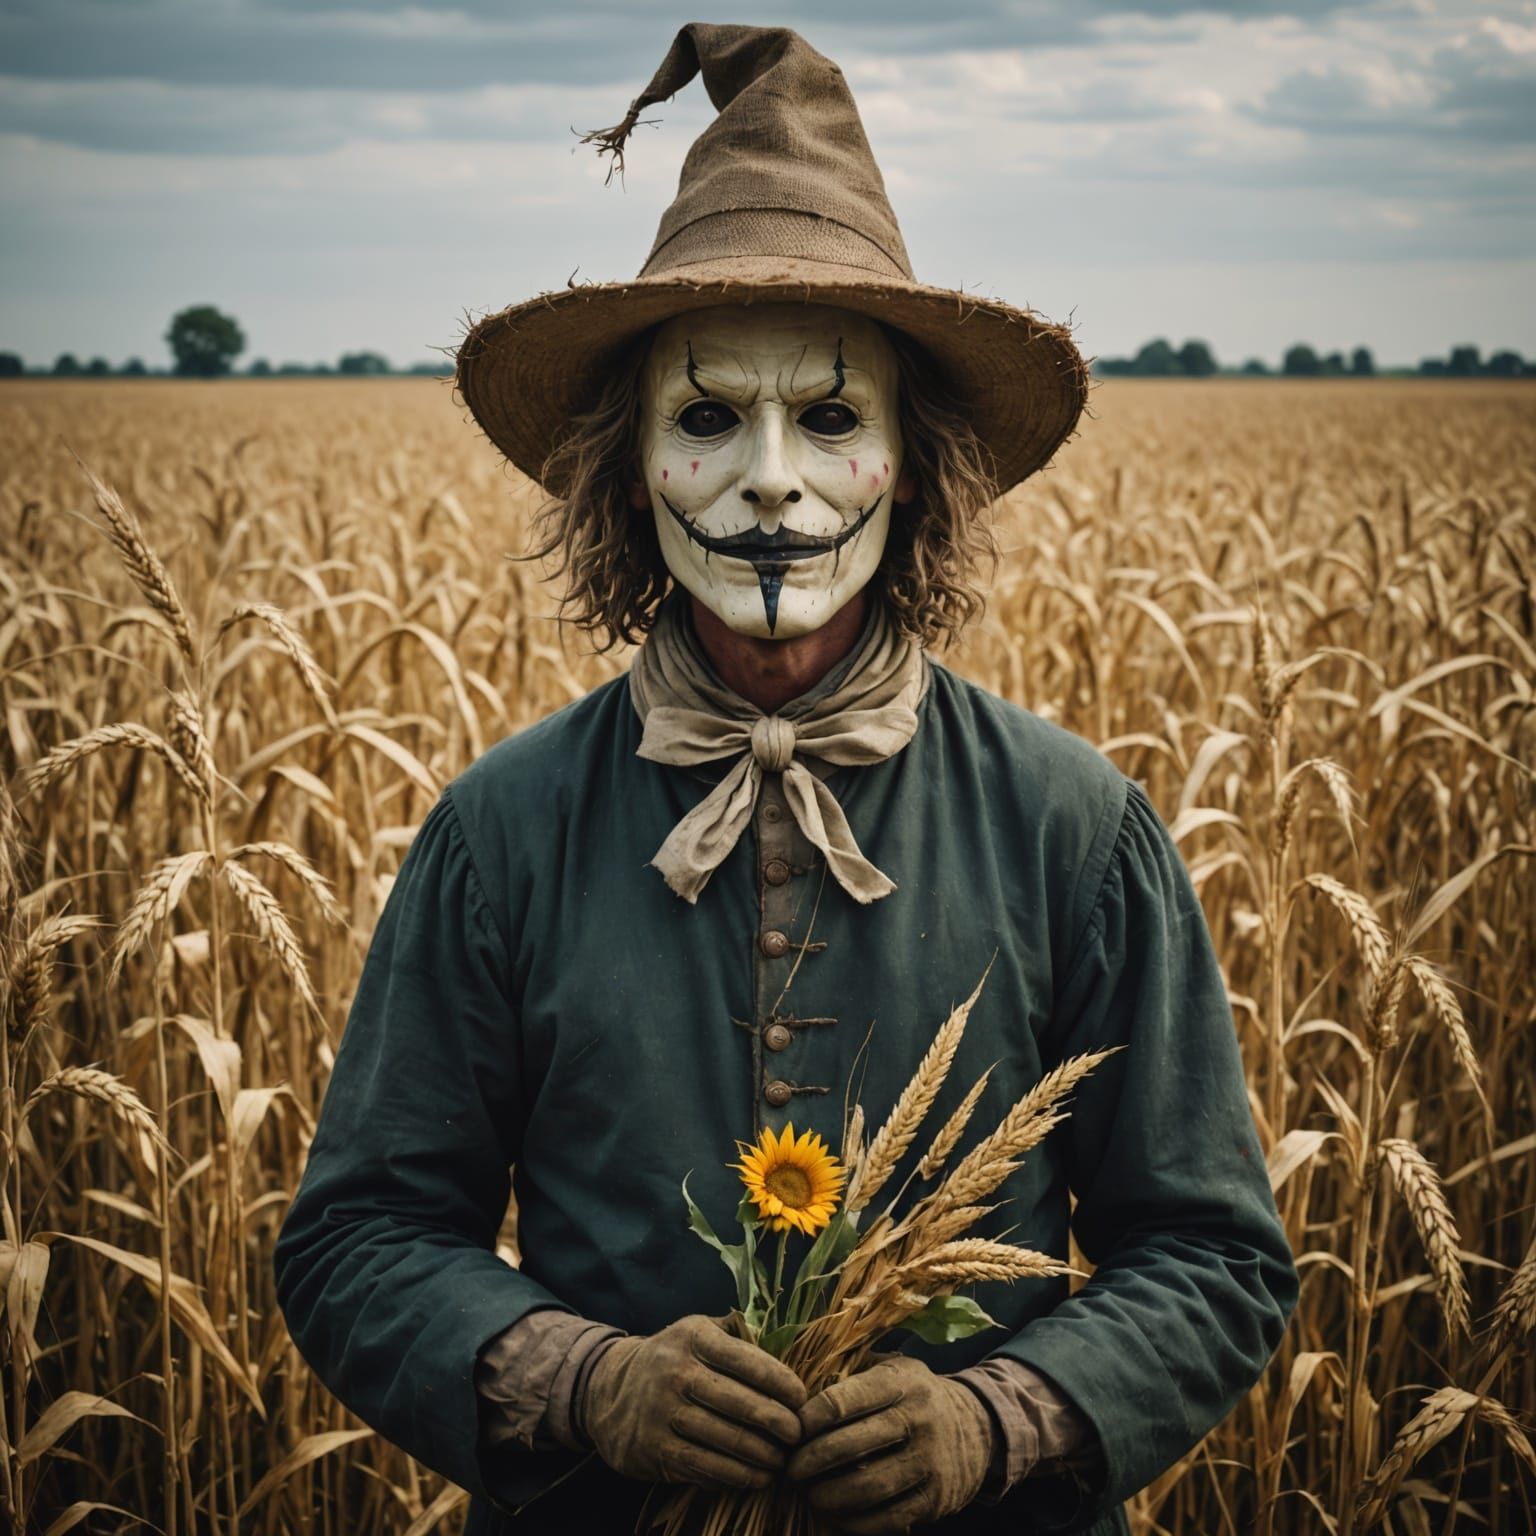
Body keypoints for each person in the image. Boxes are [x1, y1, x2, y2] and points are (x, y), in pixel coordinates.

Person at [274, 24, 1297, 1536]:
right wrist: (582, 1383)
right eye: (705, 418)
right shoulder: (502, 834)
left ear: (914, 462)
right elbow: (356, 1240)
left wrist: (994, 1421)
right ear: (630, 469)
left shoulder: (1075, 827)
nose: (769, 478)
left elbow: (1217, 1258)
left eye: (829, 416)